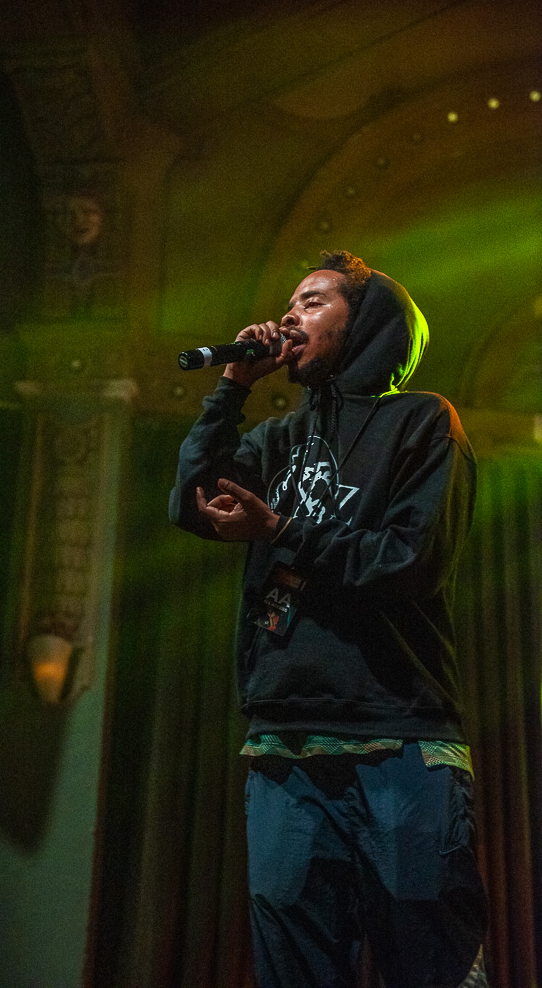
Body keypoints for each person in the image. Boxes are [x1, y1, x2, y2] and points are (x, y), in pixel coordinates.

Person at [169, 251, 489, 988]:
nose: (288, 316)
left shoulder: (422, 422)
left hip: (399, 739)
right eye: (288, 304)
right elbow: (189, 505)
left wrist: (282, 531)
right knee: (295, 968)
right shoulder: (276, 441)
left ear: (368, 323)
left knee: (427, 960)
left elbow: (410, 562)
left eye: (312, 302)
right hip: (284, 745)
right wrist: (231, 388)